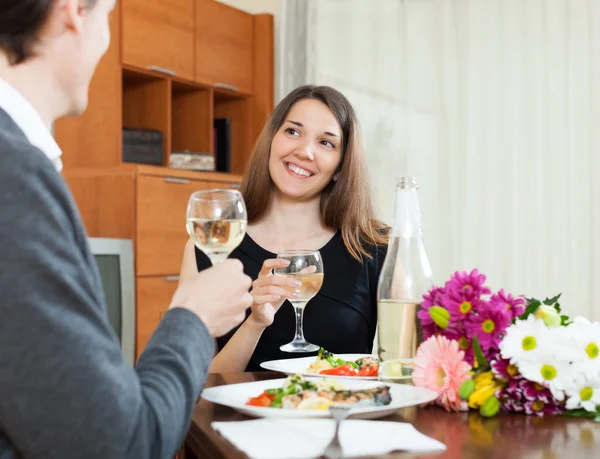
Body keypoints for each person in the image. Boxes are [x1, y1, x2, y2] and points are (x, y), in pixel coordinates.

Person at [0, 1, 253, 458]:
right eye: (109, 16)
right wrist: (193, 318)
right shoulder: (13, 175)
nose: (106, 39)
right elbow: (118, 445)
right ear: (75, 10)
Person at [179, 85, 389, 372]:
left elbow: (402, 367)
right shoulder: (207, 248)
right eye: (293, 131)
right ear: (271, 140)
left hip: (340, 417)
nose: (304, 151)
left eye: (326, 143)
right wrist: (255, 322)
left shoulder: (375, 249)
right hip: (239, 418)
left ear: (340, 167)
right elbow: (195, 386)